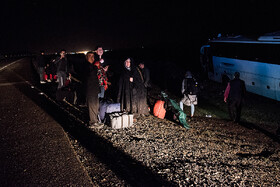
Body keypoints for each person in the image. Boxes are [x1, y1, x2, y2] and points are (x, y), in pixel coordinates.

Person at [85, 51, 102, 127]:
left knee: (96, 105)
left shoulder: (92, 66)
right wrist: (95, 67)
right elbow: (90, 74)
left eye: (93, 56)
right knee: (92, 105)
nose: (92, 58)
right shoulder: (86, 66)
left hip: (95, 89)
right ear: (87, 57)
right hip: (90, 89)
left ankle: (96, 120)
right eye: (90, 56)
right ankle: (92, 122)